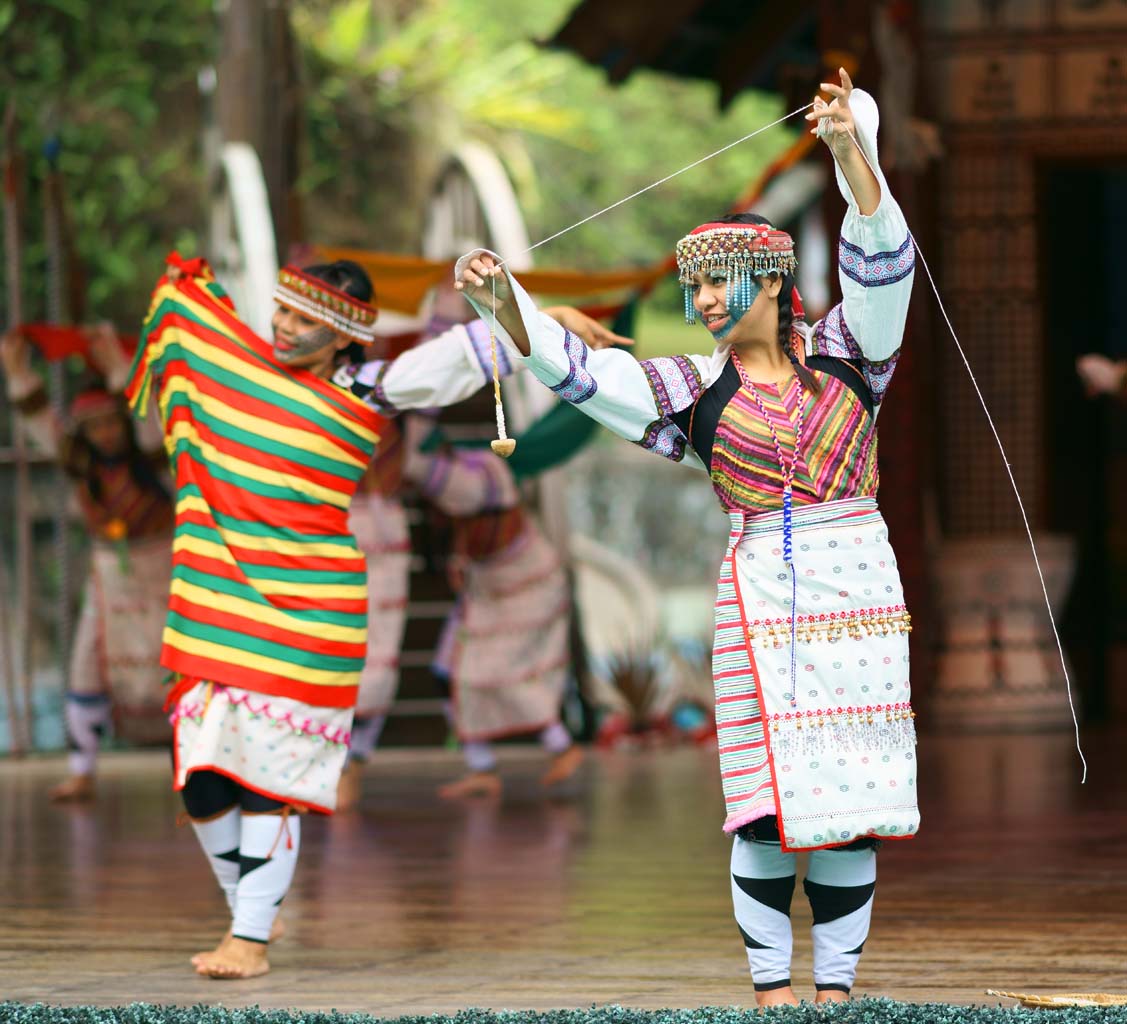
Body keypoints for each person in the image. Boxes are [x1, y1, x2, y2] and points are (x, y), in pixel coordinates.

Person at [455, 72, 917, 1006]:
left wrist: (847, 153)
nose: (703, 298)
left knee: (847, 799)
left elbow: (883, 261)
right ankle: (769, 991)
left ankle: (835, 991)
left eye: (718, 280)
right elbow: (579, 372)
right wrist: (505, 301)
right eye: (693, 284)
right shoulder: (686, 391)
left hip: (858, 586)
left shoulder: (850, 354)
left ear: (771, 281)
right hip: (759, 598)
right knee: (763, 801)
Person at [130, 253, 619, 979]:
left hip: (310, 610)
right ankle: (252, 906)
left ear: (342, 340)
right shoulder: (237, 369)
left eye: (305, 321)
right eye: (284, 311)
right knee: (201, 779)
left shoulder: (367, 388)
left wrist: (544, 327)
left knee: (267, 781)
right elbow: (185, 338)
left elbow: (460, 357)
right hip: (219, 598)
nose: (285, 326)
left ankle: (251, 939)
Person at [0, 324, 173, 802]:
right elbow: (39, 422)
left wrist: (118, 366)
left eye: (111, 422)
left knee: (179, 667)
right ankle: (82, 771)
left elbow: (147, 420)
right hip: (110, 578)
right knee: (86, 669)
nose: (105, 433)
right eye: (95, 426)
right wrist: (16, 370)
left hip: (164, 568)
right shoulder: (79, 460)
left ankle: (195, 764)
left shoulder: (156, 456)